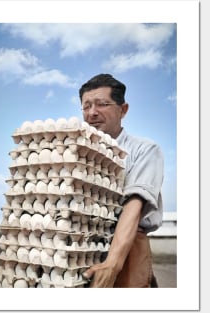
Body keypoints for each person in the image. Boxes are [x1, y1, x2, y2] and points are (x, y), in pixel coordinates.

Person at [79, 73, 164, 288]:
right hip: (83, 246)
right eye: (86, 106)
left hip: (127, 246)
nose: (92, 113)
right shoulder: (79, 152)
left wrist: (113, 264)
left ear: (123, 110)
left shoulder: (143, 150)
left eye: (101, 104)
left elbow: (134, 206)